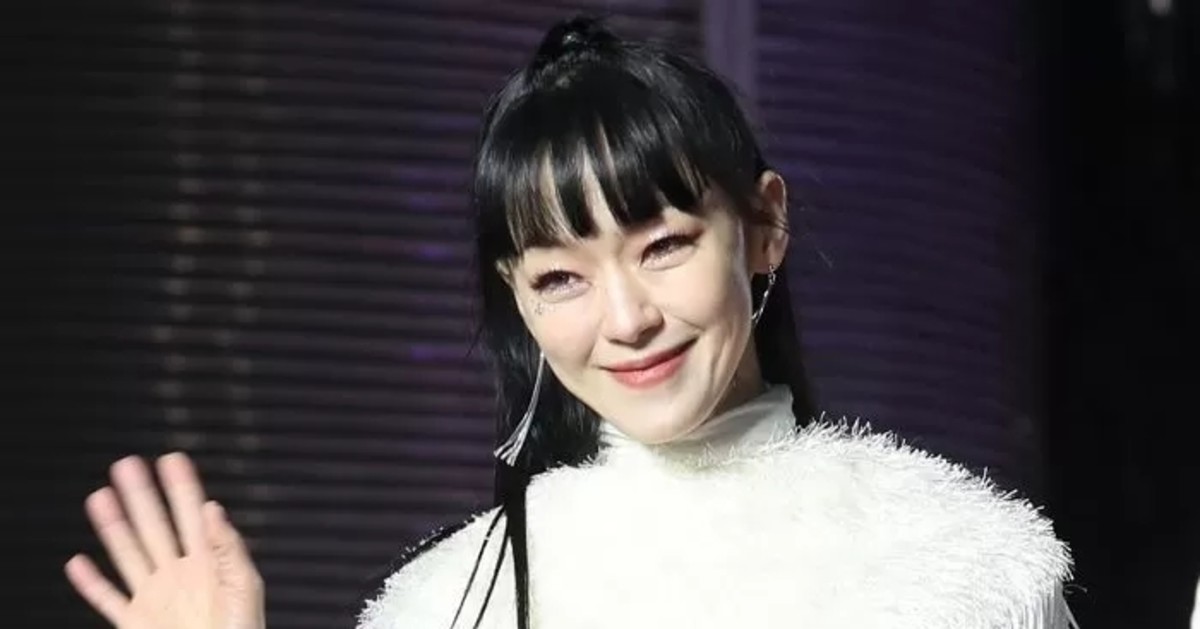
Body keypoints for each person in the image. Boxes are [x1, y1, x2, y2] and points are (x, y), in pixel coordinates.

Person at [64, 15, 1082, 629]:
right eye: (561, 276)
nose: (627, 318)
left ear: (764, 225)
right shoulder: (444, 604)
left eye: (663, 244)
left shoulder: (970, 569)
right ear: (518, 297)